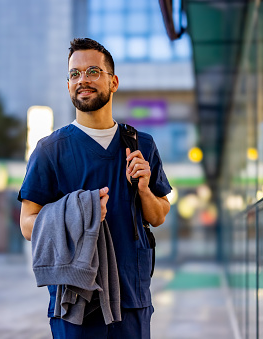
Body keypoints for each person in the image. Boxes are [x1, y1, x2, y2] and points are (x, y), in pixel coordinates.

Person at [18, 38, 172, 339]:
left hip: (132, 298)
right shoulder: (50, 151)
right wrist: (77, 214)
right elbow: (26, 224)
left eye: (92, 71)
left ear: (113, 82)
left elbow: (159, 215)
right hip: (77, 302)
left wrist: (143, 190)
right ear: (68, 85)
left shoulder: (141, 145)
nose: (82, 80)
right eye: (74, 74)